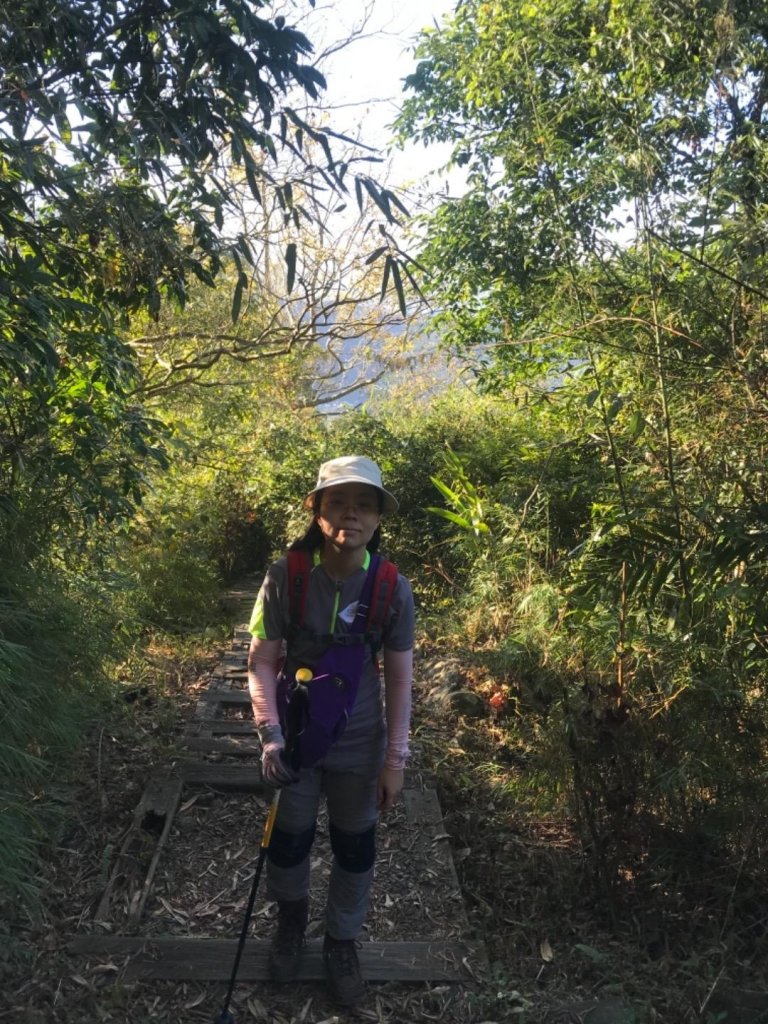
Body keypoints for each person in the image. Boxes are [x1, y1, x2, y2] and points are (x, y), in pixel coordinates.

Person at [247, 456, 415, 1006]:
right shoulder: (286, 577)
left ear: (378, 517)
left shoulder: (391, 587)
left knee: (355, 842)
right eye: (338, 502)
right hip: (296, 736)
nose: (351, 514)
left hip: (360, 740)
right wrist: (269, 734)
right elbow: (262, 661)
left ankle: (341, 940)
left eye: (364, 504)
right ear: (317, 512)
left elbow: (399, 680)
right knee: (289, 837)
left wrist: (395, 760)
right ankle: (291, 922)